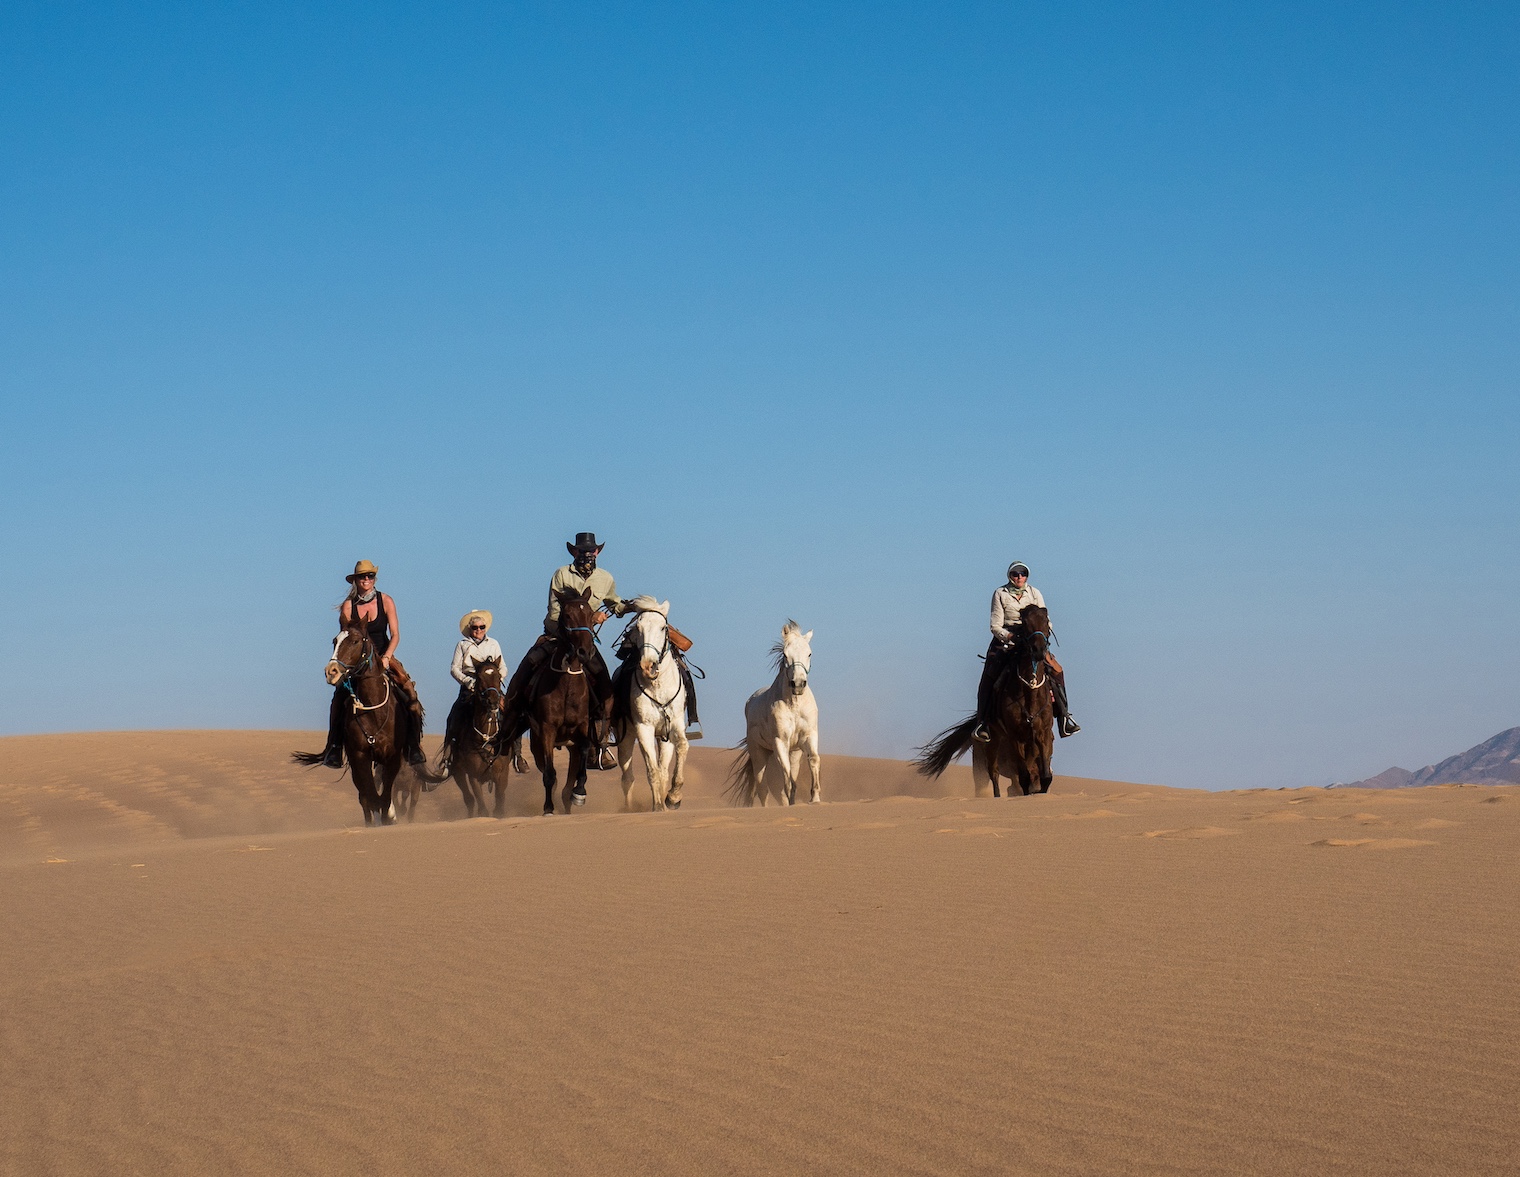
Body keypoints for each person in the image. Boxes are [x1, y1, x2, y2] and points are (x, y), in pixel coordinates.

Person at [320, 560, 429, 768]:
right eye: (362, 577)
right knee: (339, 697)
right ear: (356, 580)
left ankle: (413, 747)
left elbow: (395, 634)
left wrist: (387, 657)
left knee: (408, 691)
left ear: (374, 579)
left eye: (370, 576)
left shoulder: (385, 600)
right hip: (356, 662)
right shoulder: (348, 606)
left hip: (384, 657)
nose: (366, 580)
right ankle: (334, 747)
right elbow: (345, 636)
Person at [973, 561, 1081, 741]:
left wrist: (1040, 635)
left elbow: (1046, 619)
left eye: (1023, 574)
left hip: (1032, 639)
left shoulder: (1034, 593)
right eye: (1015, 574)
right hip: (1007, 639)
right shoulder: (1000, 593)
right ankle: (982, 723)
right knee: (989, 676)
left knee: (1057, 670)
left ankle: (1064, 717)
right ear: (1010, 575)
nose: (1019, 577)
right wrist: (1011, 638)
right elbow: (995, 626)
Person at [435, 609, 505, 774]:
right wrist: (469, 682)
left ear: (485, 627)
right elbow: (454, 668)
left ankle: (516, 755)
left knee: (510, 712)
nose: (478, 630)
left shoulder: (494, 643)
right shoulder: (462, 645)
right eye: (475, 628)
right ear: (470, 629)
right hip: (470, 688)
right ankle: (447, 759)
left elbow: (503, 666)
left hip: (492, 687)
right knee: (455, 715)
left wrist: (495, 679)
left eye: (481, 627)